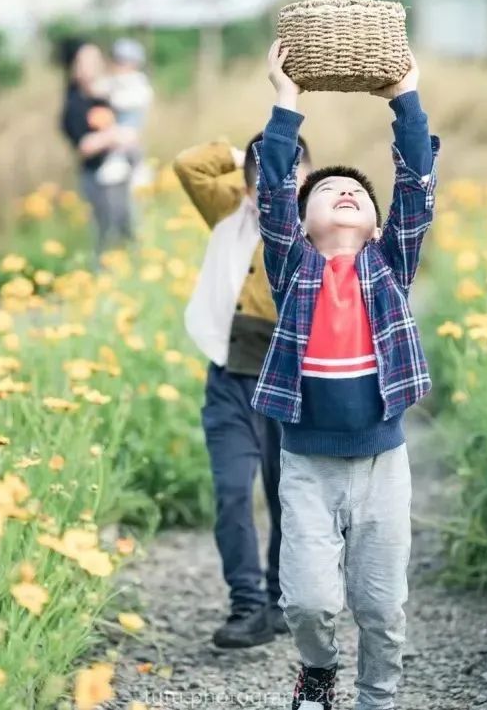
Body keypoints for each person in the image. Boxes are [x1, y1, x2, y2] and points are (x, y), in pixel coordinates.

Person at [251, 40, 439, 710]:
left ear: (377, 222)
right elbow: (271, 190)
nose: (345, 193)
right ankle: (319, 669)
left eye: (357, 192)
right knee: (307, 600)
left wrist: (405, 98)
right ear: (301, 225)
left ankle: (378, 697)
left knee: (382, 603)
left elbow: (416, 186)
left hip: (381, 463)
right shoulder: (293, 266)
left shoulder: (388, 265)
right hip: (306, 461)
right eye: (328, 191)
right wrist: (286, 100)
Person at [174, 131, 313, 649]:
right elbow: (190, 164)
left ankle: (279, 598)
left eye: (293, 186)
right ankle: (248, 605)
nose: (281, 200)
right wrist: (247, 157)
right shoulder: (231, 211)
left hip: (291, 380)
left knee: (288, 496)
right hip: (229, 377)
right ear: (251, 191)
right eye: (268, 189)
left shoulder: (316, 229)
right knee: (233, 492)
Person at [58, 38, 136, 259]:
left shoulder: (107, 96)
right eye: (87, 60)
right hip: (96, 179)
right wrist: (113, 136)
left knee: (128, 230)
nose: (94, 65)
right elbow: (83, 146)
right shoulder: (74, 104)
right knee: (105, 235)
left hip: (122, 173)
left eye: (96, 59)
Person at [95, 38, 154, 187]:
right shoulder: (112, 81)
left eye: (123, 61)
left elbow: (135, 100)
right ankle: (119, 165)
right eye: (117, 60)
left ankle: (134, 169)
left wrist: (113, 98)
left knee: (129, 146)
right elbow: (100, 88)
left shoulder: (138, 82)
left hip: (129, 127)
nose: (119, 65)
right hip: (116, 128)